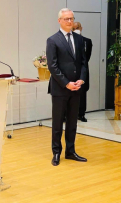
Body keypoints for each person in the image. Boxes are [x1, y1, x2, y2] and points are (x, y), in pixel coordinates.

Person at [46, 8, 88, 166]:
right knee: (57, 123)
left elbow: (83, 62)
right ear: (59, 21)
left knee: (72, 122)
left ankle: (71, 151)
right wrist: (66, 83)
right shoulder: (53, 40)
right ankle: (56, 152)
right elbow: (52, 66)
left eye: (71, 18)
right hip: (60, 88)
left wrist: (81, 80)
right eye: (66, 19)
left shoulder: (79, 39)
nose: (70, 21)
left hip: (76, 88)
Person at [72, 22, 93, 122]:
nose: (76, 29)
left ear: (81, 28)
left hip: (82, 70)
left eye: (77, 27)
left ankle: (81, 114)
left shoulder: (87, 41)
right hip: (71, 71)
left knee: (82, 93)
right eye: (74, 28)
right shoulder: (69, 40)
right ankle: (68, 115)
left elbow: (87, 57)